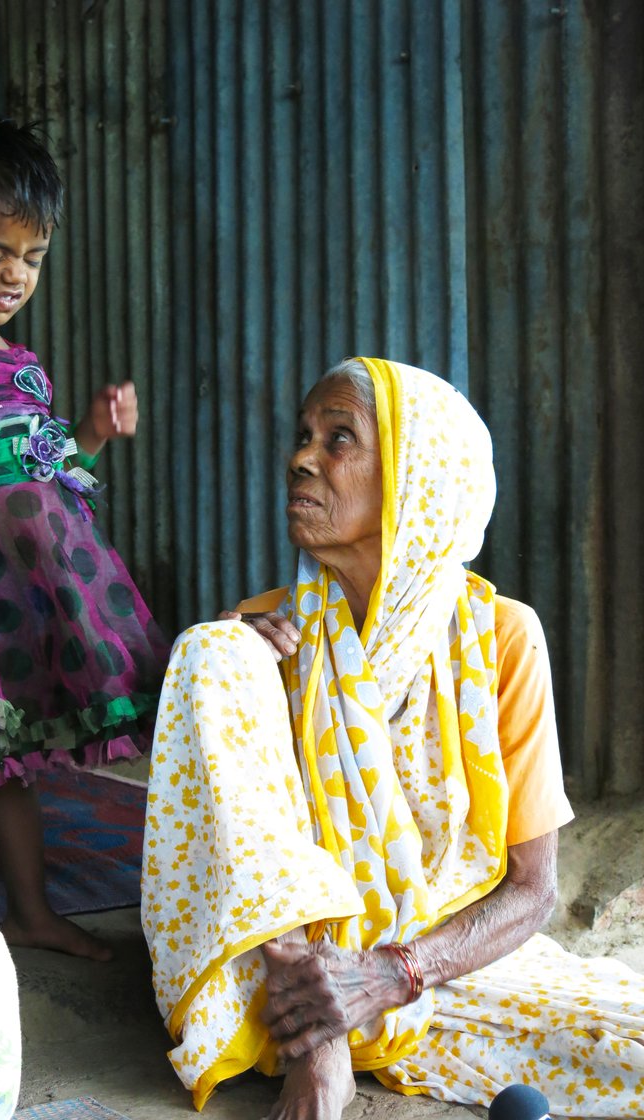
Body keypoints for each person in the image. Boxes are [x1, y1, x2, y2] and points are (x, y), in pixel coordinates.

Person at [141, 357, 644, 1118]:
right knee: (213, 650)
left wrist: (389, 974)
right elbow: (238, 855)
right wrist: (324, 1019)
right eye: (303, 435)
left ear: (419, 475)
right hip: (280, 985)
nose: (300, 458)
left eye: (339, 438)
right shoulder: (260, 633)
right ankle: (320, 1048)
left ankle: (352, 1009)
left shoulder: (503, 638)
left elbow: (533, 889)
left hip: (437, 971)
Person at [0, 110, 169, 961]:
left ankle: (31, 913)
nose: (13, 277)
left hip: (34, 582)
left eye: (30, 258)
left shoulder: (8, 347)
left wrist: (97, 432)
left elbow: (46, 455)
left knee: (14, 758)